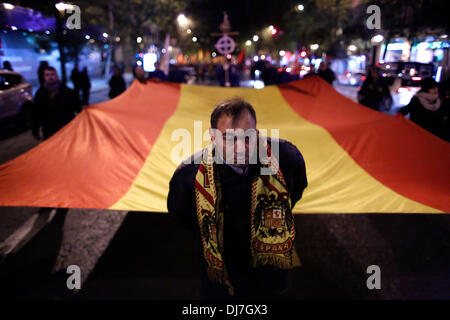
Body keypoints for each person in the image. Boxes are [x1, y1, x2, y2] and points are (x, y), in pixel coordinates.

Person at [168, 98, 308, 299]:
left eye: (248, 137)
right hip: (222, 280)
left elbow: (295, 192)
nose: (240, 147)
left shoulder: (286, 158)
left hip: (272, 279)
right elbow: (183, 216)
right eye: (229, 138)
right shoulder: (189, 177)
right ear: (213, 137)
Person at [32, 66, 82, 140]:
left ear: (56, 75)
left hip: (67, 130)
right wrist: (35, 131)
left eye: (52, 74)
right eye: (47, 75)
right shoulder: (40, 93)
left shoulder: (68, 92)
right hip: (49, 131)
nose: (50, 77)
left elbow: (78, 109)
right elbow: (36, 113)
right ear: (44, 77)